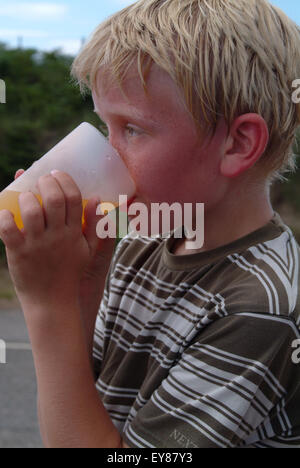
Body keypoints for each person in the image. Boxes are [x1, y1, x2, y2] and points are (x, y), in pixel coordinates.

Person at [1, 0, 300, 448]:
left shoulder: (261, 308)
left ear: (238, 144)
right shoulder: (144, 235)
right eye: (105, 126)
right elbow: (85, 390)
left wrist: (47, 304)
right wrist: (85, 276)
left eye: (132, 129)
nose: (107, 151)